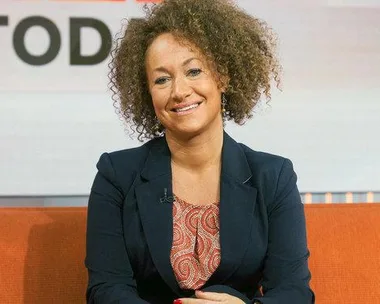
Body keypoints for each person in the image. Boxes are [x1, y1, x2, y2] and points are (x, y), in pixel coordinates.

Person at [85, 0, 315, 303]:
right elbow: (106, 290)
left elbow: (293, 292)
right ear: (147, 93)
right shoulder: (116, 175)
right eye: (162, 79)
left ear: (223, 76)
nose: (179, 91)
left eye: (194, 71)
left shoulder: (273, 177)